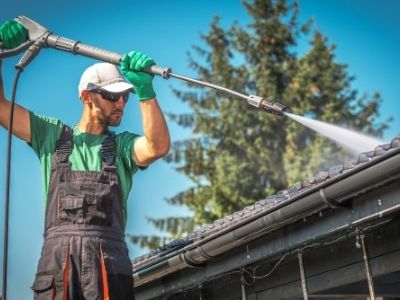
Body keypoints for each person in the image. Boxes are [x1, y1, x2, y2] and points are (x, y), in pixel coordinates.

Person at [0, 20, 170, 299]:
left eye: (125, 97)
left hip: (109, 263)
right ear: (86, 96)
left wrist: (145, 91)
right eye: (112, 96)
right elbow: (0, 106)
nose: (121, 104)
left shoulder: (122, 147)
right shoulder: (51, 135)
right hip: (59, 266)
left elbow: (157, 146)